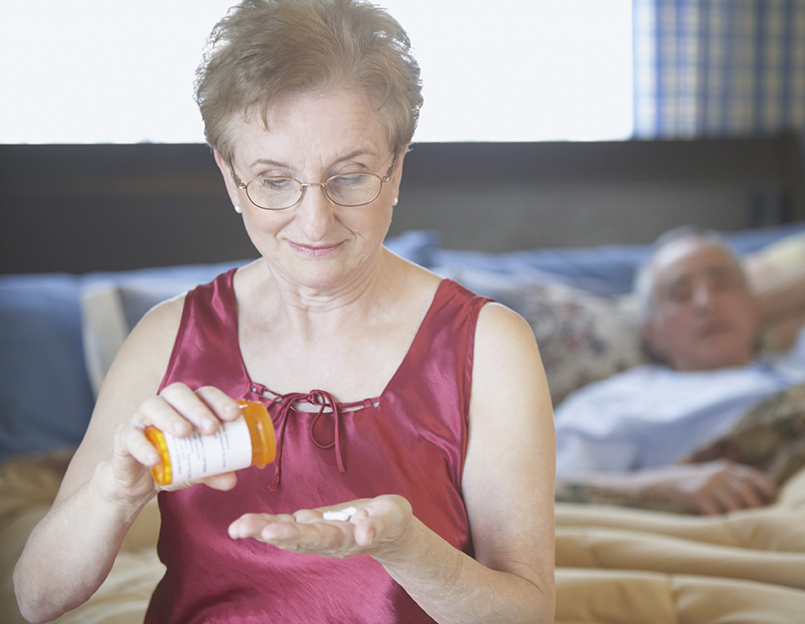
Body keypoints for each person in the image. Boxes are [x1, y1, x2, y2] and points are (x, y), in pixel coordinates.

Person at [13, 2, 555, 622]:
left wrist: (404, 549)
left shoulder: (489, 346)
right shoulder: (167, 337)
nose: (315, 221)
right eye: (274, 181)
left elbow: (528, 614)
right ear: (229, 177)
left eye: (350, 177)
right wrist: (114, 486)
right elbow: (34, 599)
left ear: (398, 165)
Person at [554, 225, 805, 515]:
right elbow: (540, 485)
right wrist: (667, 486)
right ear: (653, 331)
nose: (705, 303)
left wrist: (753, 305)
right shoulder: (618, 399)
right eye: (680, 294)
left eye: (722, 285)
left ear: (756, 304)